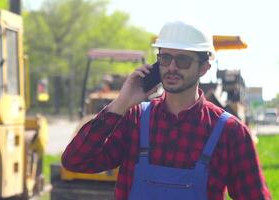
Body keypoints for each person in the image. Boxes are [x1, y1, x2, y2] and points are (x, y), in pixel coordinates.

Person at [62, 21, 271, 200]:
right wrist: (121, 103)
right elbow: (75, 161)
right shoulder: (134, 119)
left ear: (204, 67)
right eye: (165, 58)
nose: (171, 67)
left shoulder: (231, 132)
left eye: (182, 60)